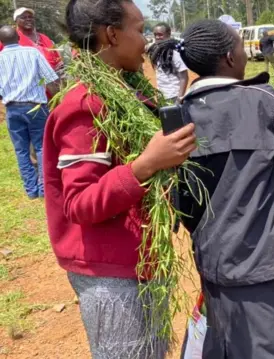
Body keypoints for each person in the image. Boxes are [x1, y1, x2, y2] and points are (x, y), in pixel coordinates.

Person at [156, 19, 274, 358]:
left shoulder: (180, 115)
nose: (245, 52)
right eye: (241, 46)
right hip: (262, 268)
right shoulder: (258, 100)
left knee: (227, 348)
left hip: (214, 265)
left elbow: (189, 196)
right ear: (229, 56)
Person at [43, 0, 196, 358]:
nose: (145, 41)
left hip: (141, 258)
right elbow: (79, 203)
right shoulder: (85, 104)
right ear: (111, 34)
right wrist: (146, 165)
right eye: (139, 29)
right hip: (111, 272)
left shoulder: (128, 92)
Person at [0, 25, 58, 199]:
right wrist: (58, 100)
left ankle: (31, 190)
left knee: (21, 150)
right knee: (41, 147)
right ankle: (43, 188)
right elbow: (50, 79)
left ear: (1, 42)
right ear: (18, 38)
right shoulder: (32, 53)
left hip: (12, 108)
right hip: (36, 107)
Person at [0, 7, 63, 72]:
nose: (28, 19)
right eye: (24, 17)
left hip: (54, 78)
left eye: (30, 17)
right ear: (16, 21)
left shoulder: (44, 38)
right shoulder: (10, 38)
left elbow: (58, 60)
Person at [148, 23, 188, 103]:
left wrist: (179, 99)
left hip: (173, 96)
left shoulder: (174, 53)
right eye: (155, 35)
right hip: (162, 96)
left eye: (160, 35)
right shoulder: (158, 52)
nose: (157, 37)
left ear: (168, 34)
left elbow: (184, 77)